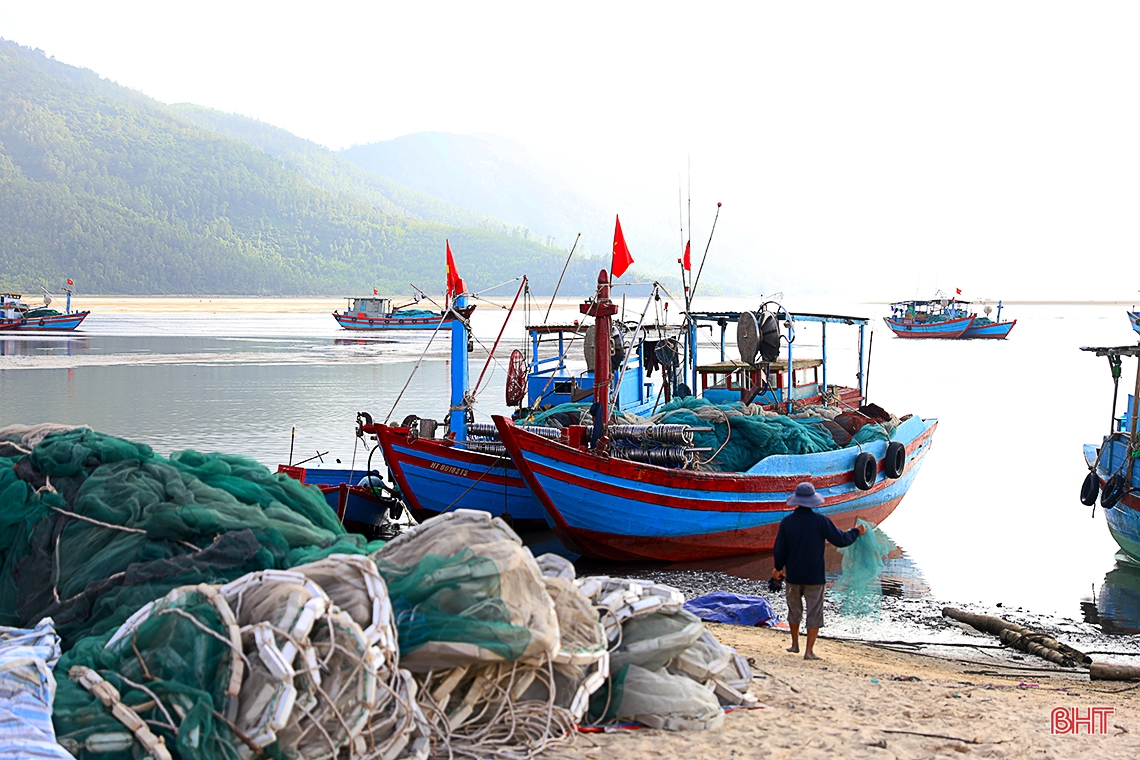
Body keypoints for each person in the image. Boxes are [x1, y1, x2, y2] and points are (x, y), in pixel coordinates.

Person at [770, 481, 866, 660]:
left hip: (794, 575)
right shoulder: (821, 522)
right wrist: (856, 531)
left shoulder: (787, 523)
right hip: (815, 577)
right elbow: (841, 540)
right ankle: (809, 652)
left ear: (796, 501)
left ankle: (794, 644)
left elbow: (779, 550)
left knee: (794, 610)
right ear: (813, 502)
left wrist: (777, 569)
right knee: (814, 612)